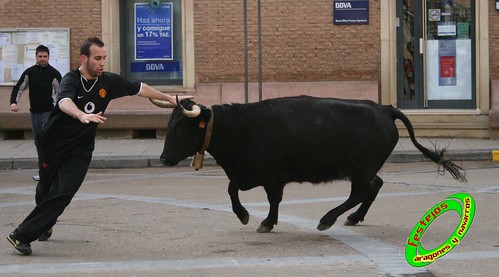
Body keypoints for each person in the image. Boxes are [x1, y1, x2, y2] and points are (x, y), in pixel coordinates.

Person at [6, 37, 193, 255]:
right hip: (53, 144)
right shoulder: (71, 79)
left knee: (64, 192)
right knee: (45, 190)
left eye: (104, 58)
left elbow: (140, 88)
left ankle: (21, 235)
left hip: (81, 149)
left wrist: (170, 98)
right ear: (84, 58)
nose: (102, 63)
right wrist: (80, 114)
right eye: (97, 58)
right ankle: (44, 222)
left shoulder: (108, 81)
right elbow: (64, 101)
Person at [9, 45, 62, 181]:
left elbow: (61, 95)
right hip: (34, 114)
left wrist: (59, 112)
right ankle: (43, 172)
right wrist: (13, 103)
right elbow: (18, 88)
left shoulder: (54, 74)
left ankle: (52, 172)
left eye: (45, 57)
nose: (42, 59)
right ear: (36, 57)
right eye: (40, 57)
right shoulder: (29, 73)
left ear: (49, 57)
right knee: (39, 143)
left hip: (49, 113)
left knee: (47, 142)